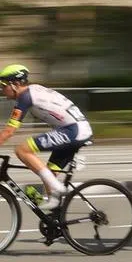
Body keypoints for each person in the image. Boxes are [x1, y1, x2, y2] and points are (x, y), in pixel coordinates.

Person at [0, 64, 92, 211]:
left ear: (15, 84)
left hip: (73, 130)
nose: (2, 90)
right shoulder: (33, 90)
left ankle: (58, 188)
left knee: (22, 150)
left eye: (4, 86)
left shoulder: (25, 97)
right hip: (78, 129)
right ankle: (55, 218)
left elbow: (9, 131)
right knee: (49, 174)